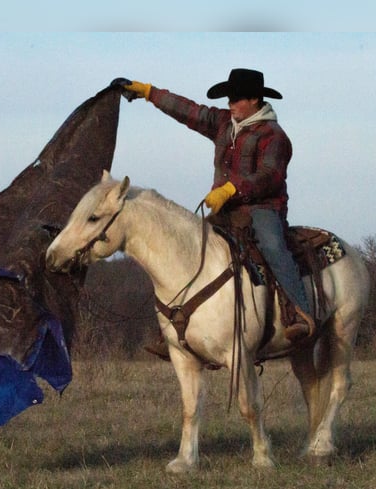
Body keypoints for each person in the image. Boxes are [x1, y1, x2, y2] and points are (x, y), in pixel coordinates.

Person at [117, 68, 314, 348]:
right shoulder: (223, 123)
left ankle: (299, 313)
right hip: (226, 212)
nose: (230, 104)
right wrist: (149, 92)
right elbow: (189, 111)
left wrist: (232, 189)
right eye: (229, 99)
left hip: (262, 209)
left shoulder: (274, 135)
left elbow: (270, 175)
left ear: (255, 99)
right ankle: (178, 327)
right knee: (189, 248)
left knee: (272, 245)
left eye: (236, 99)